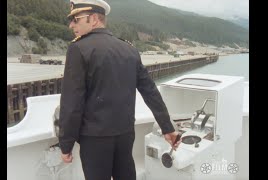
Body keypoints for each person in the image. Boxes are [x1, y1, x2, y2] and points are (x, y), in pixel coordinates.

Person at [58, 0, 181, 179]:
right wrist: (167, 128)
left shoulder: (78, 49)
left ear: (93, 19)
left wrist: (66, 144)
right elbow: (150, 92)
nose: (71, 25)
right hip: (125, 134)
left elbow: (72, 103)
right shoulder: (129, 49)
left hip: (95, 138)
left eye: (75, 19)